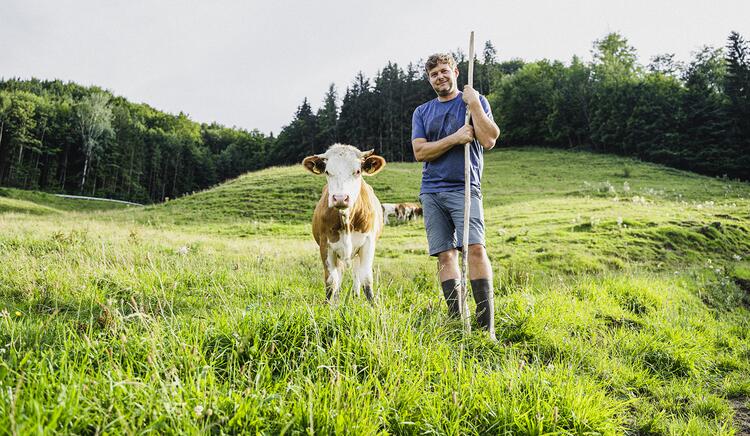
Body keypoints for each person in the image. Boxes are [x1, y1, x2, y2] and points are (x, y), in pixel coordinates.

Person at [411, 53, 500, 338]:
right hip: (432, 191)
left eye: (444, 71)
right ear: (430, 79)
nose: (440, 77)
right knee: (444, 256)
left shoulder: (475, 102)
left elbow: (489, 139)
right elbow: (420, 152)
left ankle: (486, 329)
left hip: (465, 187)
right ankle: (455, 324)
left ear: (456, 72)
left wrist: (473, 104)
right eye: (434, 74)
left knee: (475, 249)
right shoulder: (422, 112)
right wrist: (456, 138)